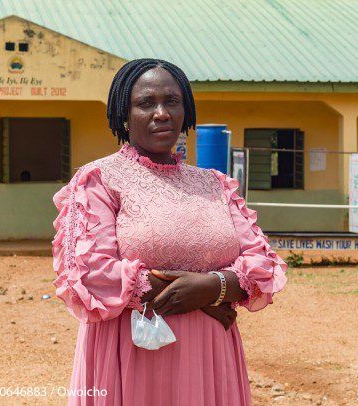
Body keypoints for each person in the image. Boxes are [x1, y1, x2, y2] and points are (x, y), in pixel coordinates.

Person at [52, 58, 287, 406]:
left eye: (171, 101)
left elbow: (262, 262)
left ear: (186, 110)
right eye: (146, 103)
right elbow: (87, 274)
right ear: (123, 115)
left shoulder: (215, 184)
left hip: (211, 357)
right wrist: (196, 295)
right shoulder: (99, 180)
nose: (161, 113)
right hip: (133, 355)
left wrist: (212, 287)